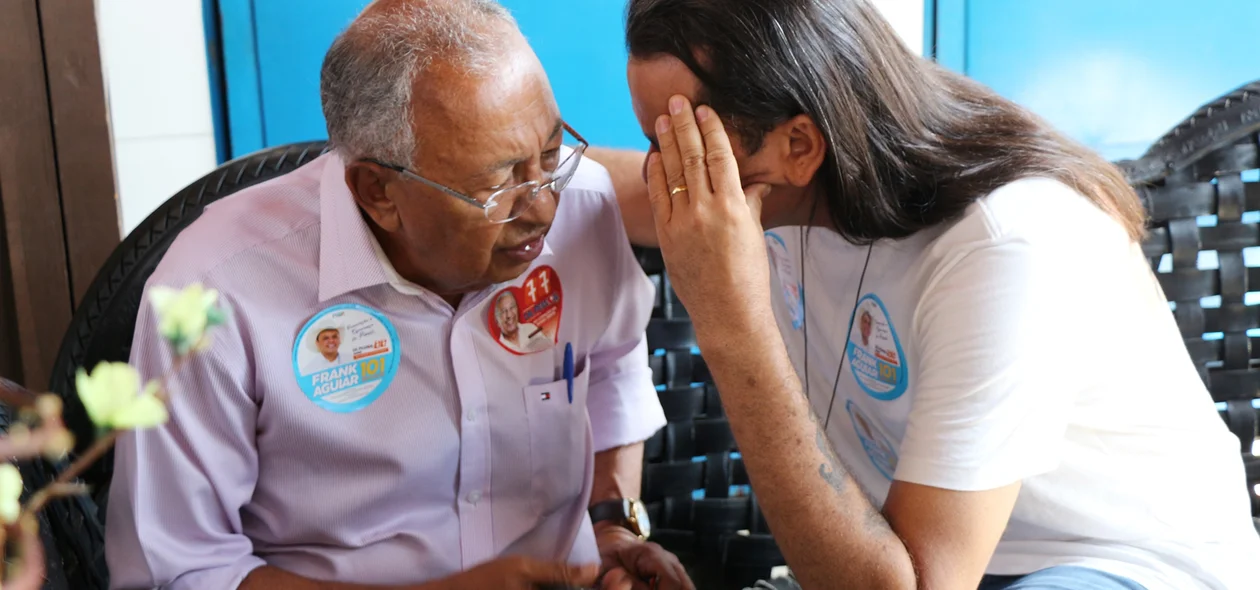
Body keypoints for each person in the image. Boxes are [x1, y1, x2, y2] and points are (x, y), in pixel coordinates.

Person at [603, 0, 1260, 589]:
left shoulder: (1005, 241)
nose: (666, 178)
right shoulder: (766, 183)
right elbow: (594, 185)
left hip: (1125, 564)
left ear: (799, 144)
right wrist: (524, 151)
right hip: (933, 554)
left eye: (682, 149)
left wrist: (731, 323)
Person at [105, 1, 693, 589]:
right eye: (496, 185)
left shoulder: (583, 207)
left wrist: (612, 524)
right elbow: (181, 571)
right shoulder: (214, 292)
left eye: (548, 155)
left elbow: (612, 363)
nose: (542, 208)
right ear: (378, 191)